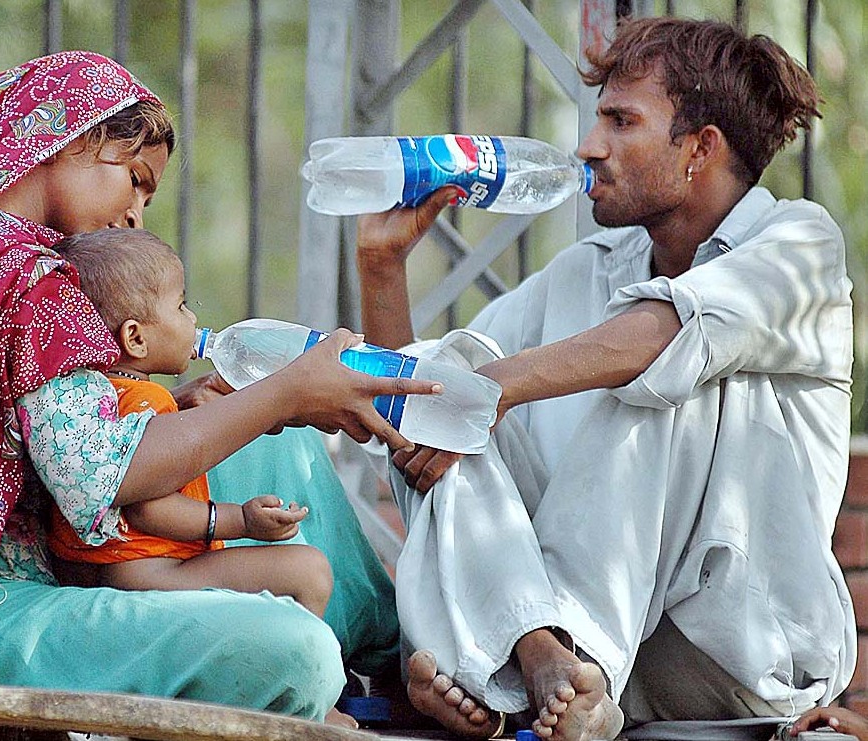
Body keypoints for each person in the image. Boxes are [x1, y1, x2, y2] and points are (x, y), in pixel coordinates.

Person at [0, 51, 437, 739]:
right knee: (291, 649)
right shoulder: (29, 277)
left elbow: (34, 441)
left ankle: (392, 664)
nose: (136, 217)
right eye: (134, 179)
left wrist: (198, 406)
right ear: (74, 138)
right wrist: (283, 391)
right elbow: (102, 475)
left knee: (277, 444)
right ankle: (400, 668)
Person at [355, 16, 854, 741]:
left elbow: (661, 336)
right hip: (595, 672)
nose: (589, 147)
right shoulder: (587, 268)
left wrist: (495, 389)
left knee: (666, 361)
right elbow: (419, 404)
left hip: (737, 651)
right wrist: (382, 268)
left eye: (621, 122)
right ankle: (537, 656)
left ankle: (532, 666)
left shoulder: (799, 242)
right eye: (597, 120)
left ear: (699, 149)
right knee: (449, 381)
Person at [45, 228, 333, 622]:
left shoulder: (93, 397)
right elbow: (147, 509)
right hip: (151, 572)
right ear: (135, 338)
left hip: (111, 569)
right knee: (308, 571)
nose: (193, 319)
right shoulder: (148, 401)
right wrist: (239, 520)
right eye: (181, 306)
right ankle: (300, 670)